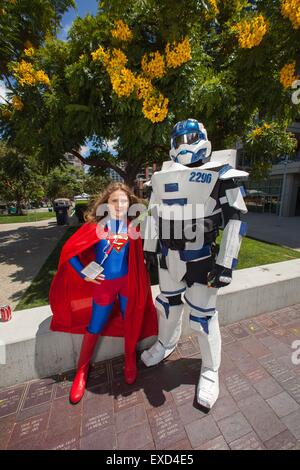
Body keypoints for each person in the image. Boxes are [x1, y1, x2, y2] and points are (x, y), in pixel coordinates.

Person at [141, 119, 248, 409]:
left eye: (191, 138)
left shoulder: (223, 175)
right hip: (168, 256)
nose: (184, 144)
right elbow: (152, 213)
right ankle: (165, 344)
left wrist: (226, 264)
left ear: (203, 139)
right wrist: (149, 248)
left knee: (202, 318)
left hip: (201, 258)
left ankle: (210, 369)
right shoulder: (160, 177)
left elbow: (236, 219)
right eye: (178, 140)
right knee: (166, 304)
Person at [50, 182, 157, 404]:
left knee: (131, 320)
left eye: (124, 200)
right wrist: (83, 274)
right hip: (105, 286)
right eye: (114, 200)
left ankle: (129, 360)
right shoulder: (95, 227)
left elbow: (142, 253)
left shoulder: (133, 227)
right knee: (95, 326)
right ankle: (81, 371)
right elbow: (69, 252)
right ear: (106, 204)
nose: (119, 204)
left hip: (128, 284)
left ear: (130, 203)